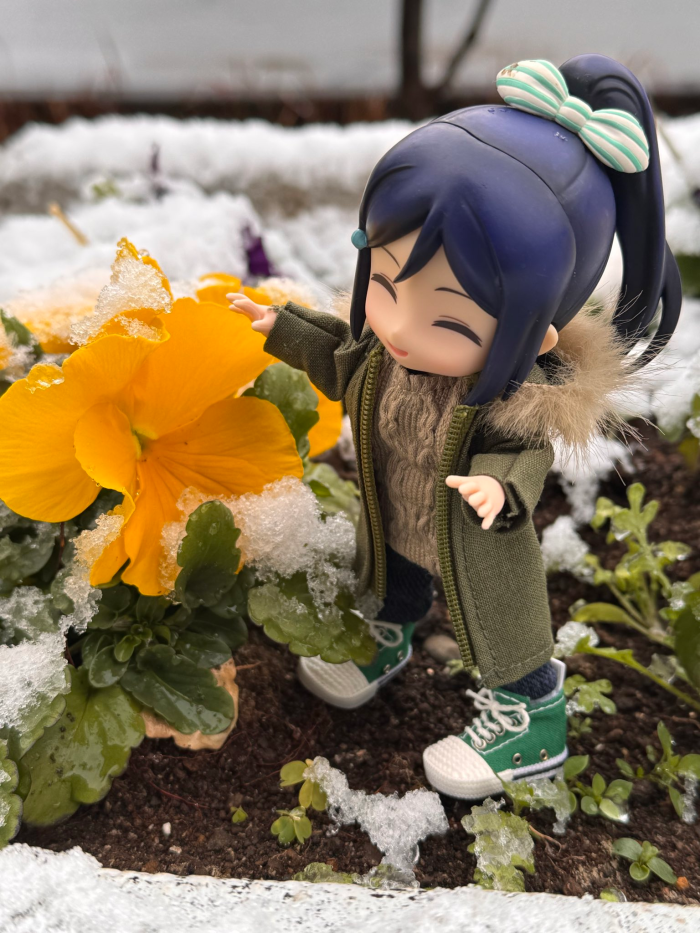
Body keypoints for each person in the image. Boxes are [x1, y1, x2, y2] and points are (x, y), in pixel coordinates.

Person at [229, 55, 681, 800]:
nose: (401, 330)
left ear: (537, 334)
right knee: (392, 579)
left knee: (504, 630)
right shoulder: (386, 355)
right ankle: (385, 637)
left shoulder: (514, 398)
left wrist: (497, 489)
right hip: (399, 511)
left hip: (475, 535)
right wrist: (278, 325)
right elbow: (340, 360)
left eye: (449, 321)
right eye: (383, 283)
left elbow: (522, 455)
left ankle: (531, 718)